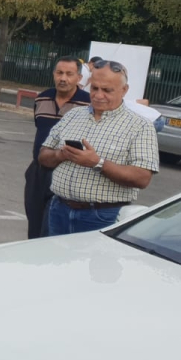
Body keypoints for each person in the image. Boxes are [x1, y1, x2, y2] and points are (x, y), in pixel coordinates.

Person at [38, 60, 159, 235]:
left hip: (103, 215)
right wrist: (60, 155)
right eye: (94, 88)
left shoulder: (140, 126)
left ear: (124, 90)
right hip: (59, 210)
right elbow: (43, 156)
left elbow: (142, 178)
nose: (98, 95)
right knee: (54, 253)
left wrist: (97, 163)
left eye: (107, 90)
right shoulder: (73, 116)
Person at [24, 56, 90, 239]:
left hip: (66, 171)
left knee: (51, 227)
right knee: (34, 224)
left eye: (69, 74)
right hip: (38, 171)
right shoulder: (42, 98)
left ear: (79, 78)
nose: (63, 78)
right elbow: (40, 128)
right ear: (53, 74)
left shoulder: (88, 104)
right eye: (59, 73)